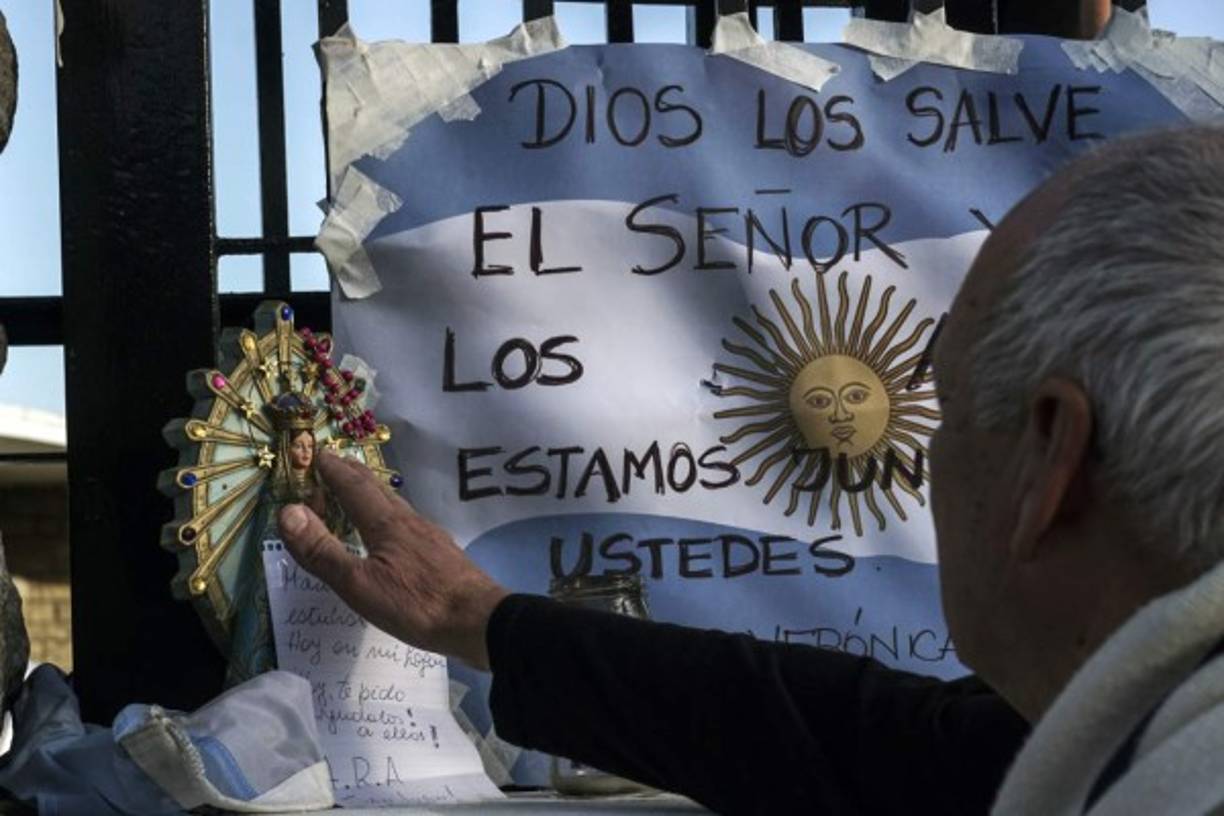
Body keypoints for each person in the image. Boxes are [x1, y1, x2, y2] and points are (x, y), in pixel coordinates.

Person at [277, 125, 1224, 815]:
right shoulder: (1125, 739)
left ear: (1049, 459)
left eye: (943, 404)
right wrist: (476, 622)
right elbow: (864, 742)